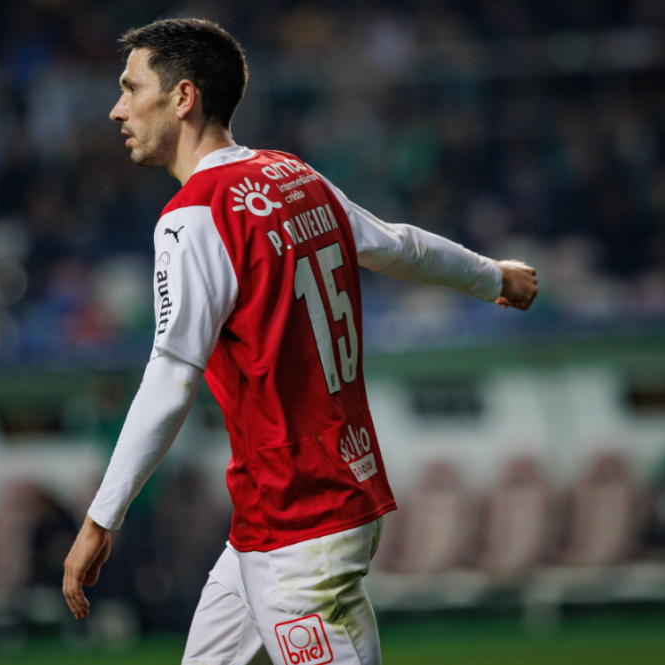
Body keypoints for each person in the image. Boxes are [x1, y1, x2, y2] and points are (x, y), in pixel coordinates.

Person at [62, 18, 538, 665]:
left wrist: (100, 519)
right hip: (274, 518)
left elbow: (172, 377)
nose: (117, 109)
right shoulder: (293, 176)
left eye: (130, 88)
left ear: (183, 97)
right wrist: (494, 276)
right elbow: (397, 245)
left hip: (302, 525)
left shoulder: (193, 217)